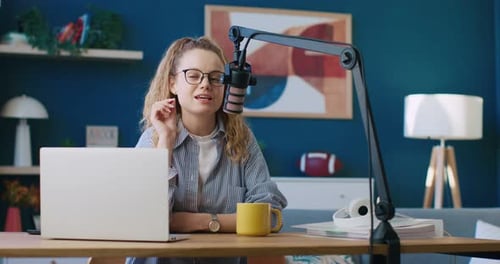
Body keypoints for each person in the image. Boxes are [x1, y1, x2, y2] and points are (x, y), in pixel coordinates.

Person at [127, 36, 287, 264]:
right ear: (173, 83)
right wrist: (166, 141)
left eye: (216, 77)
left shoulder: (242, 140)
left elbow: (270, 215)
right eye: (193, 75)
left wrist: (198, 222)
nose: (205, 84)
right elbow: (143, 219)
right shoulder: (152, 138)